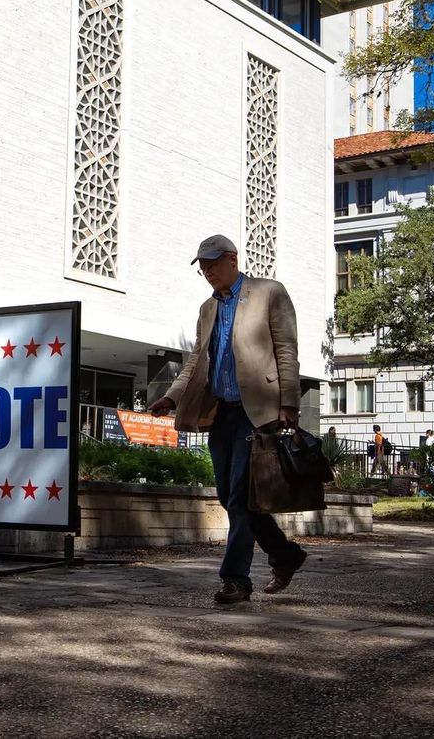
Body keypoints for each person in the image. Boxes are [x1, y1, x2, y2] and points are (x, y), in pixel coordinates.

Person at [148, 235, 308, 604]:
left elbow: (287, 349)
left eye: (213, 264)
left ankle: (236, 580)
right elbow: (196, 360)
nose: (207, 272)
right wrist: (172, 396)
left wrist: (289, 403)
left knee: (239, 497)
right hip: (221, 413)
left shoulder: (269, 292)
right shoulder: (208, 308)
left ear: (233, 259)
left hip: (258, 412)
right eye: (202, 267)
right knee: (230, 496)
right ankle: (285, 555)